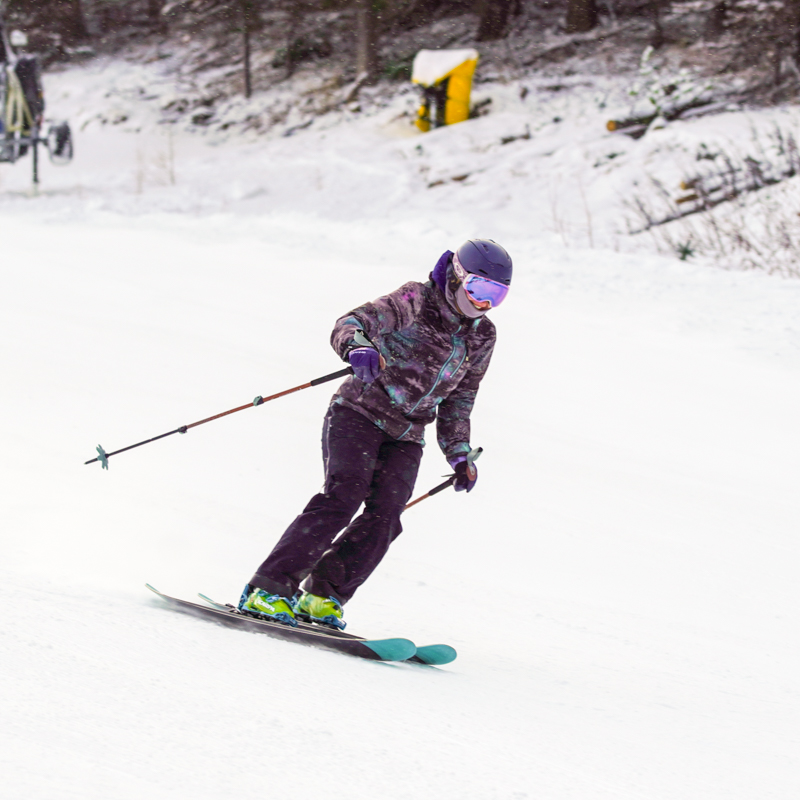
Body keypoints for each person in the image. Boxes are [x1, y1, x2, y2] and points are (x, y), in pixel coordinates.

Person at [238, 239, 513, 629]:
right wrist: (358, 347)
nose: (484, 303)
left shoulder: (483, 336)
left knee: (386, 516)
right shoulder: (417, 300)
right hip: (359, 412)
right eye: (479, 290)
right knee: (343, 495)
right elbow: (351, 323)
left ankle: (323, 595)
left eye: (496, 296)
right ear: (456, 276)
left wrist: (458, 452)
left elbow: (461, 397)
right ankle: (267, 588)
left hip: (407, 432)